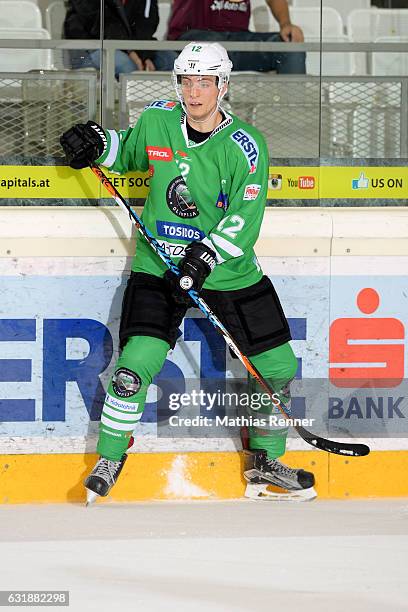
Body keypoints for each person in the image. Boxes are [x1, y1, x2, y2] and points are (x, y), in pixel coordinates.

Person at [60, 41, 316, 503]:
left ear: (223, 85)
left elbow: (245, 217)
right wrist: (99, 142)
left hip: (228, 271)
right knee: (134, 367)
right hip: (159, 265)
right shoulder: (158, 119)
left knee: (277, 368)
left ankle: (265, 463)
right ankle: (111, 455)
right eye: (186, 81)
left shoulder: (246, 146)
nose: (194, 92)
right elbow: (129, 153)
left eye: (205, 82)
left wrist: (206, 256)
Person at [167, 0, 306, 74]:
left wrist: (286, 24)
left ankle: (294, 118)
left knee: (290, 46)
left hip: (239, 40)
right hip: (197, 36)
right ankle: (215, 121)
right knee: (215, 49)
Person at [64, 0, 174, 77]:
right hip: (89, 45)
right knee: (128, 68)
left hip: (130, 45)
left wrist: (144, 55)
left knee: (171, 62)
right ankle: (133, 109)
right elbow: (102, 24)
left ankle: (164, 108)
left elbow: (146, 24)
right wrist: (130, 51)